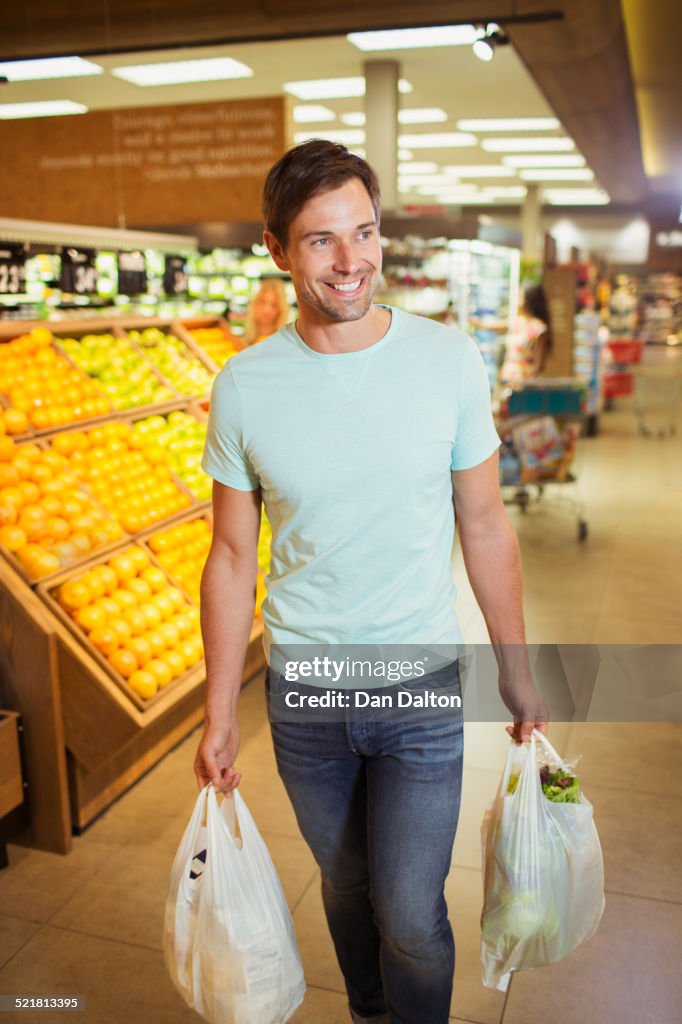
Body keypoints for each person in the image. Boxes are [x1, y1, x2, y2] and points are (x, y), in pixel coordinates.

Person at [195, 140, 548, 1024]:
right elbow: (233, 557)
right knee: (344, 887)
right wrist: (216, 715)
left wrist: (517, 669)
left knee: (410, 913)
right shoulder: (243, 387)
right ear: (277, 250)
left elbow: (485, 523)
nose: (351, 262)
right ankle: (369, 1014)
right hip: (305, 696)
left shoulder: (449, 361)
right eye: (321, 241)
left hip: (419, 687)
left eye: (365, 232)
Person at [500, 282, 552, 383]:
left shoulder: (538, 328)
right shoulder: (516, 323)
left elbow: (539, 362)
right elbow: (494, 326)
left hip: (524, 380)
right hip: (508, 378)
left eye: (520, 296)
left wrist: (528, 381)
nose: (518, 300)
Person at [242, 277, 291, 345]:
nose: (266, 310)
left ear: (281, 310)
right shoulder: (240, 340)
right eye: (262, 302)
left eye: (274, 305)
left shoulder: (286, 343)